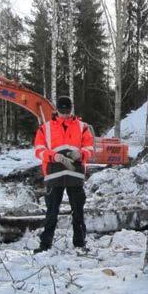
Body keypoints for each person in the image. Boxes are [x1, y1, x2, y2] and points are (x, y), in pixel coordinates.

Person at [33, 95, 94, 252]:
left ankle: (80, 243)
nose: (65, 114)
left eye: (67, 111)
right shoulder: (45, 128)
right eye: (62, 111)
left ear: (71, 110)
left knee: (78, 211)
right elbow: (38, 150)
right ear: (57, 110)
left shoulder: (82, 127)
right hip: (54, 174)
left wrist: (81, 154)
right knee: (52, 211)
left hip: (75, 174)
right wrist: (53, 155)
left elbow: (90, 147)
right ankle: (45, 245)